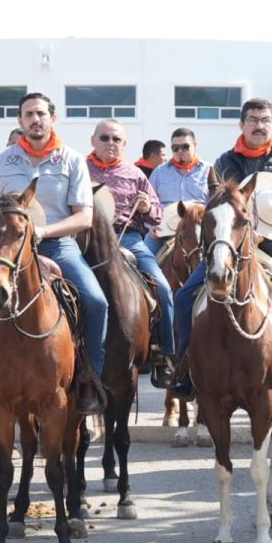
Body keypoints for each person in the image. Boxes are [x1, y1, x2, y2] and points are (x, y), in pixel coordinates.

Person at [172, 97, 272, 401]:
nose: (259, 126)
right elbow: (214, 205)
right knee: (182, 299)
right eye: (253, 120)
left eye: (265, 121)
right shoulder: (223, 162)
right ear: (242, 124)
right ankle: (184, 366)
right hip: (231, 248)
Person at [0, 93, 105, 417]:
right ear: (20, 121)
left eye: (40, 113)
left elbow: (84, 217)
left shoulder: (72, 160)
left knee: (96, 301)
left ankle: (89, 380)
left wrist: (41, 232)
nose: (35, 119)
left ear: (53, 118)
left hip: (57, 245)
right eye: (28, 114)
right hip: (6, 251)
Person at [85, 119, 175, 388]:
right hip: (85, 240)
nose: (110, 143)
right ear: (93, 141)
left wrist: (147, 207)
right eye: (104, 138)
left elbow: (157, 216)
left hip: (130, 238)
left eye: (116, 139)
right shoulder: (79, 169)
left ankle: (163, 355)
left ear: (124, 144)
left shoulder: (136, 174)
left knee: (163, 288)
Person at [145, 127, 217, 253]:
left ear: (195, 146)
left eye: (185, 147)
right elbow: (149, 203)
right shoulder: (159, 172)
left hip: (199, 229)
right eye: (175, 148)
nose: (180, 151)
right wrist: (151, 226)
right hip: (163, 230)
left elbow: (216, 203)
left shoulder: (210, 170)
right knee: (142, 260)